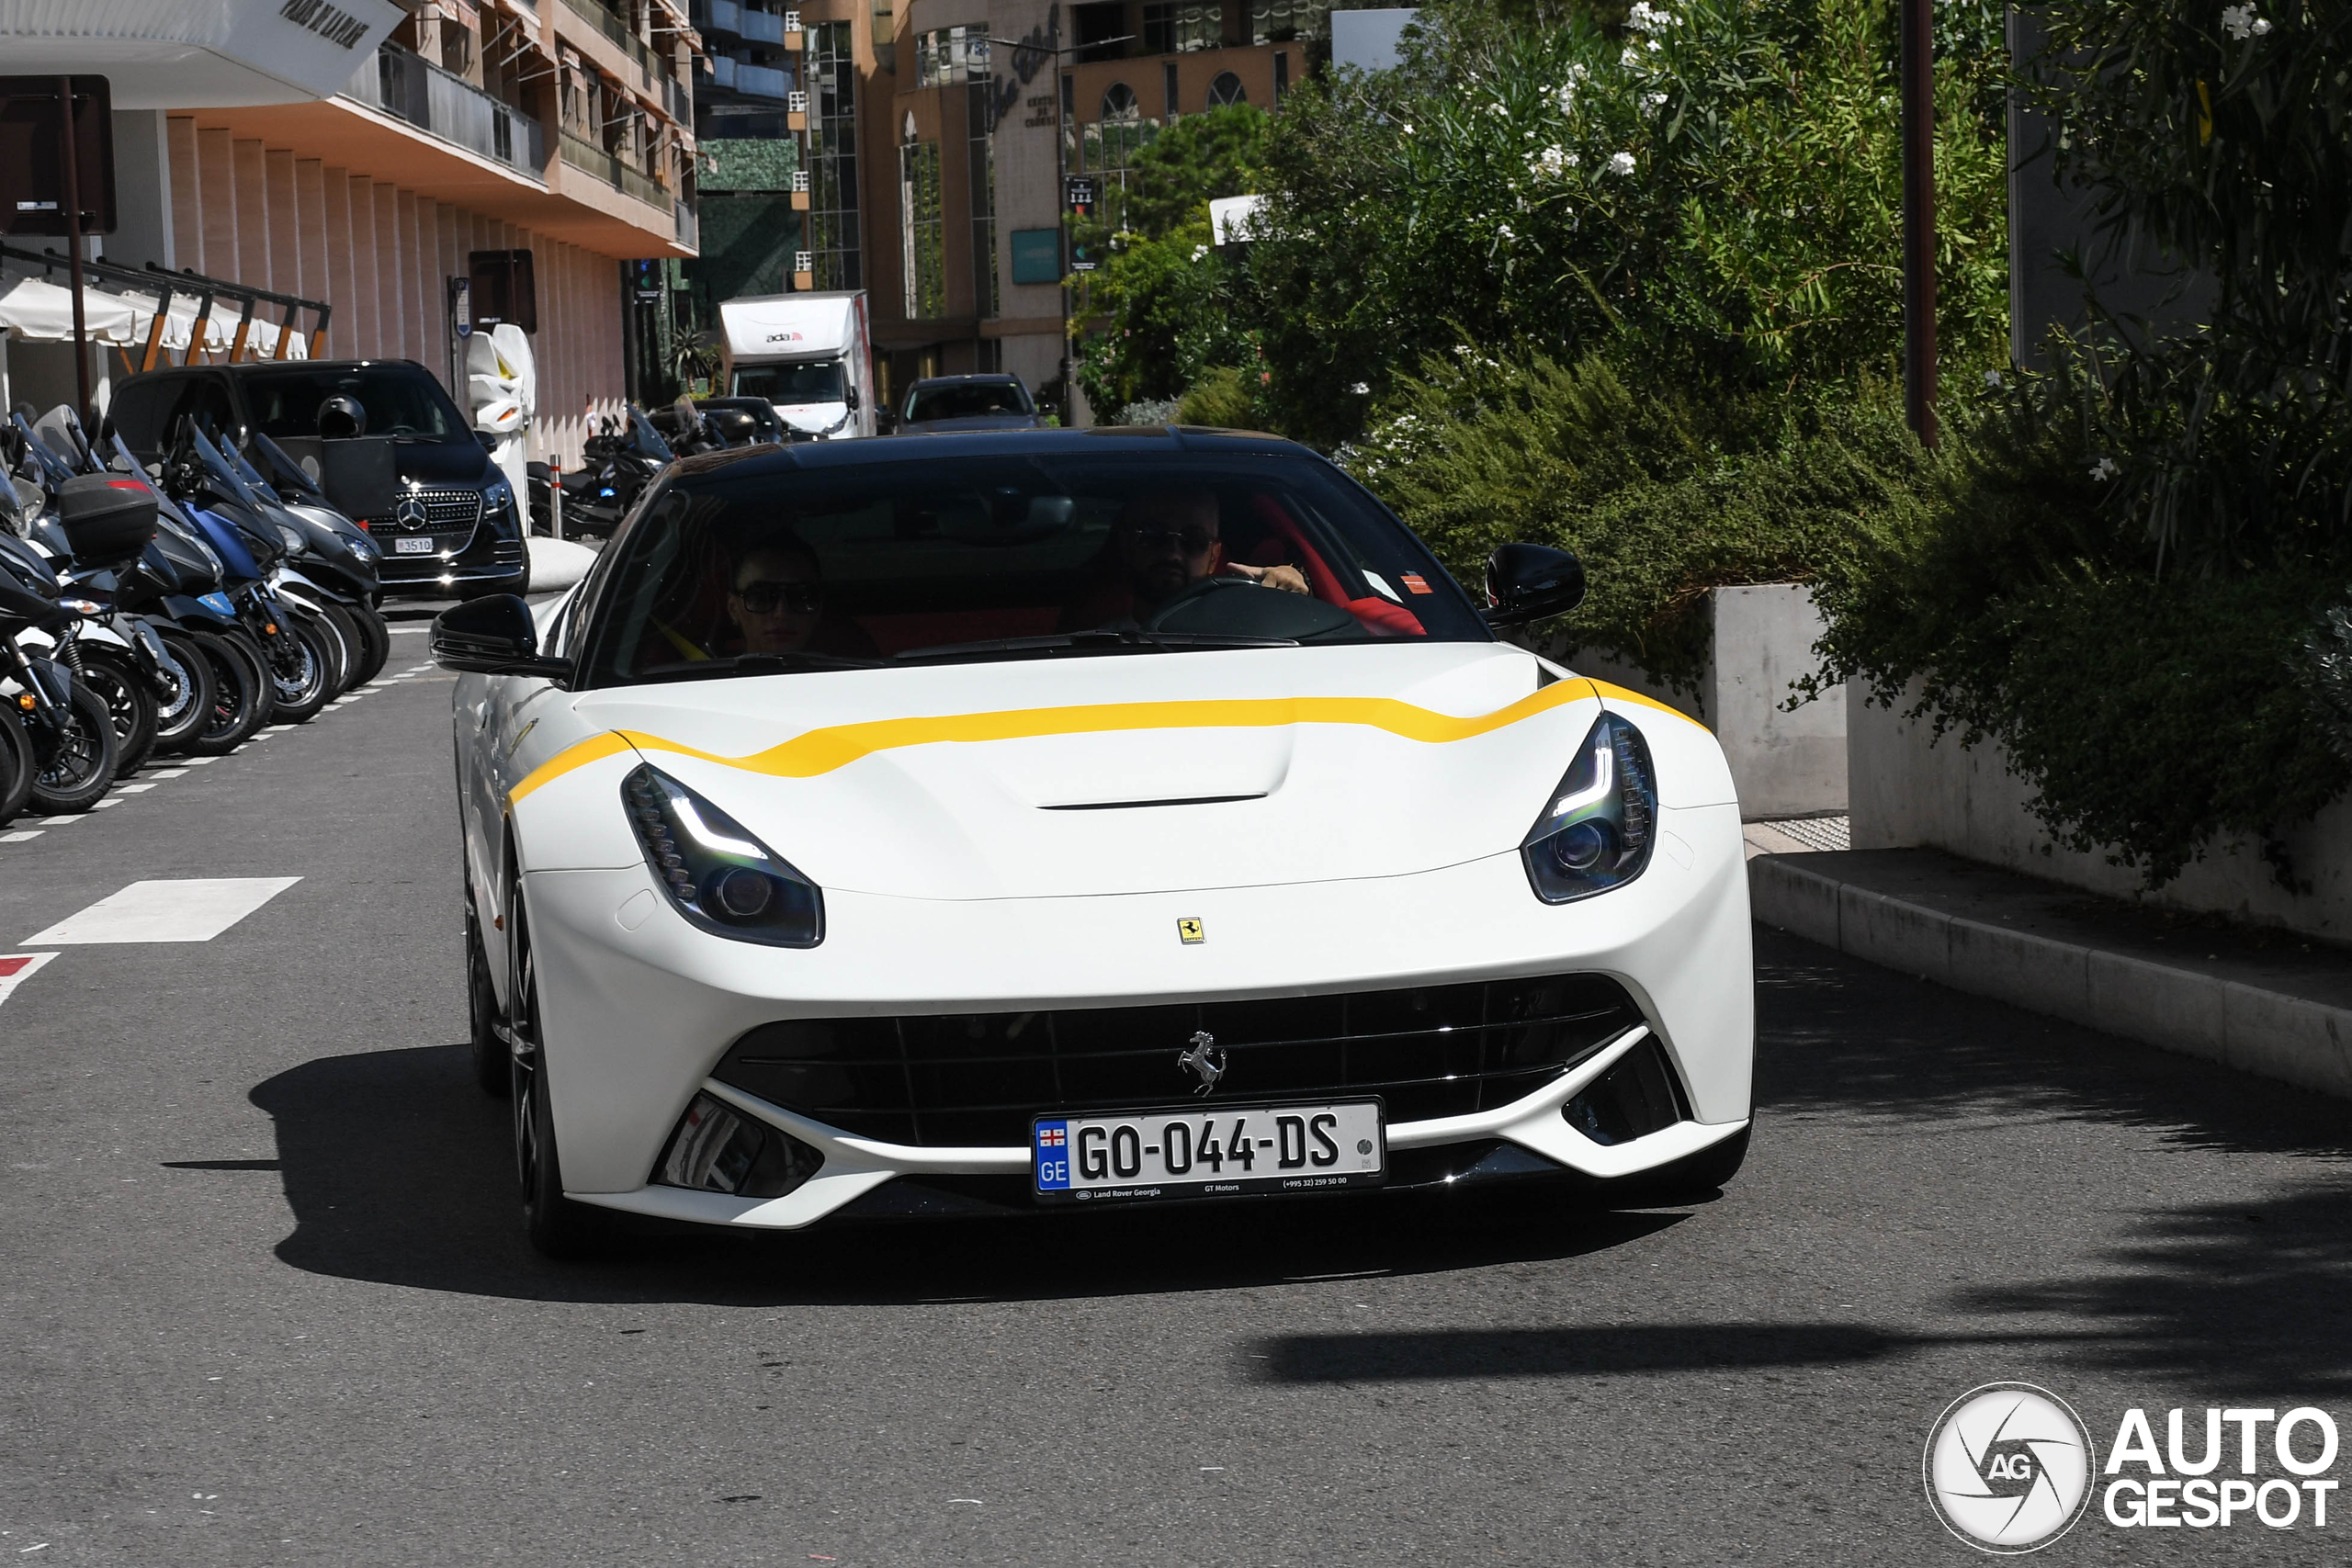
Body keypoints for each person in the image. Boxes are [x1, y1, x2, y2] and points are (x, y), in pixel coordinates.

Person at [1065, 488, 1308, 629]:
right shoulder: (1091, 649)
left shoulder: (1251, 635)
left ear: (1214, 556)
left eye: (1193, 540)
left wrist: (1292, 592)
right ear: (1127, 545)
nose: (1172, 553)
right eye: (1153, 535)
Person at [726, 536, 826, 654]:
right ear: (733, 609)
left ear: (819, 608)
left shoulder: (849, 670)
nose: (782, 614)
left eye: (800, 597)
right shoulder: (708, 671)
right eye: (761, 598)